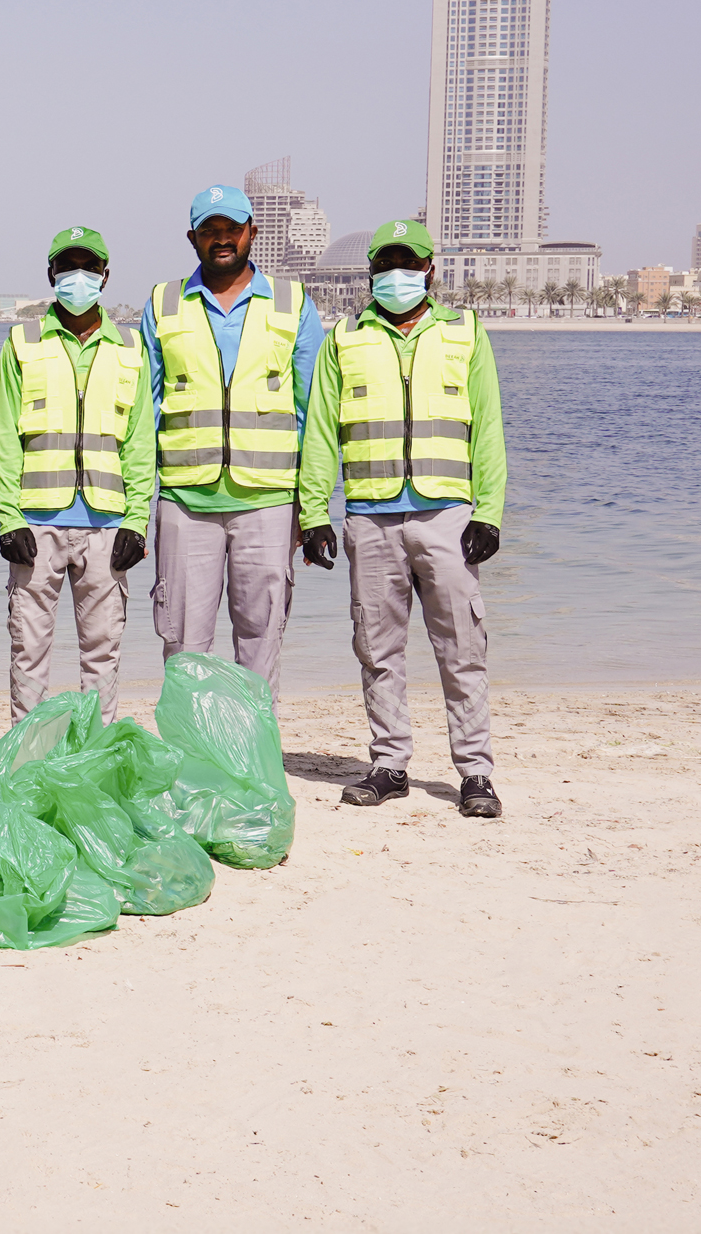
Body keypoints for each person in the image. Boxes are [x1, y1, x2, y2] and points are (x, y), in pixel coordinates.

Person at [298, 218, 507, 818]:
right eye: (386, 265)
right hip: (370, 516)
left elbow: (488, 427)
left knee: (462, 646)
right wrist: (315, 513)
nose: (398, 275)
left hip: (448, 515)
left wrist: (488, 511)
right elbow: (320, 433)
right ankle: (389, 763)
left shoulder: (465, 332)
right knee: (376, 646)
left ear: (430, 270)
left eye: (408, 264)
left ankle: (475, 773)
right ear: (371, 274)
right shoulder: (345, 338)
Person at [139, 185, 326, 700]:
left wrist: (312, 512)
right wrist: (137, 508)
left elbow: (315, 415)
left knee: (260, 643)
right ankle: (189, 765)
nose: (222, 239)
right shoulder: (162, 303)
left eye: (231, 229)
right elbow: (142, 411)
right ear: (192, 238)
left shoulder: (294, 303)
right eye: (209, 230)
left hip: (267, 502)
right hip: (185, 502)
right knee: (182, 647)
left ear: (252, 232)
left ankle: (253, 765)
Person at [0, 226, 155, 723]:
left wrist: (137, 521)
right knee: (28, 651)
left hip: (108, 524)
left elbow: (140, 441)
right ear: (51, 275)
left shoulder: (130, 347)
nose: (77, 277)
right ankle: (26, 759)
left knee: (102, 656)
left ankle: (95, 754)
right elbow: (5, 439)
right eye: (67, 268)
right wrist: (8, 518)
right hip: (36, 523)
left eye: (88, 268)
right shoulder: (22, 341)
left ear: (105, 276)